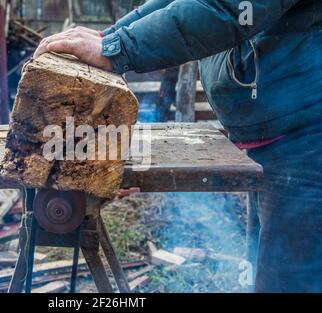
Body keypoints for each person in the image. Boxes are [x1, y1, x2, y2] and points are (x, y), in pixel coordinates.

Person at [33, 0, 322, 292]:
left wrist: (118, 47)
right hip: (279, 133)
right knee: (261, 271)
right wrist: (112, 37)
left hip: (309, 137)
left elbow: (229, 7)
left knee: (289, 280)